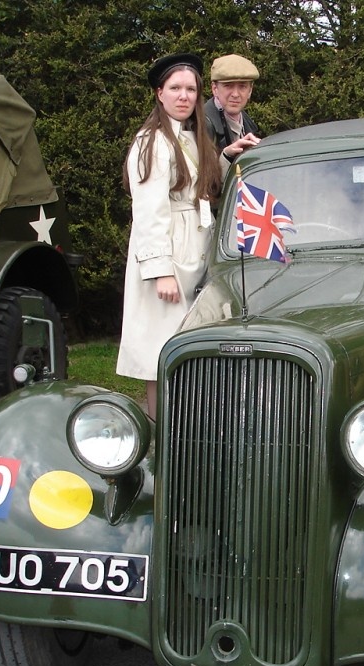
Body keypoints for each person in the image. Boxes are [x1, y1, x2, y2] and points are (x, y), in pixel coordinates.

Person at [116, 53, 224, 419]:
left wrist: (227, 159)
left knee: (192, 342)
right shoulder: (152, 142)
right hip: (168, 251)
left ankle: (193, 425)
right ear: (159, 94)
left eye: (191, 89)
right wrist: (160, 269)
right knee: (160, 349)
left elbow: (197, 183)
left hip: (196, 246)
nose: (184, 96)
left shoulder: (195, 138)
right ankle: (163, 431)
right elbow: (148, 211)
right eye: (175, 88)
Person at [204, 53, 262, 161]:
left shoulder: (249, 125)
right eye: (228, 86)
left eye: (242, 86)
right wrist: (226, 156)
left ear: (250, 91)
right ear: (214, 89)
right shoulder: (201, 125)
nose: (235, 94)